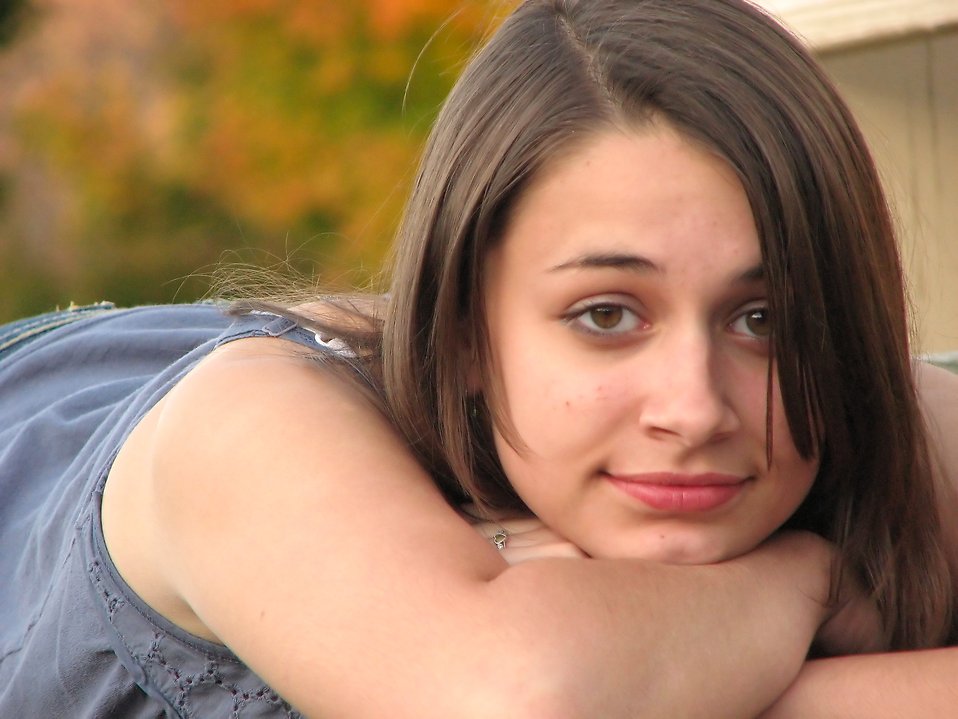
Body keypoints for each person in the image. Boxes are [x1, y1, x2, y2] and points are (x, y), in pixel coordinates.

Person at [1, 0, 956, 716]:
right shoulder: (250, 433)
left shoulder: (882, 416)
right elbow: (514, 698)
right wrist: (808, 581)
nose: (695, 406)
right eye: (608, 314)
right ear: (462, 333)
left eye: (765, 319)